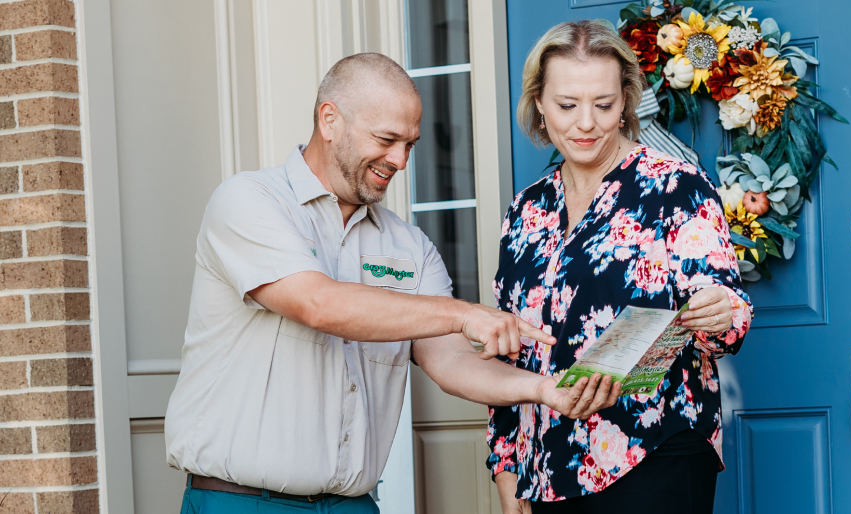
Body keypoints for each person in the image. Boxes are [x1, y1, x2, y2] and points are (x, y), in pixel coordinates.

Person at [165, 52, 622, 514]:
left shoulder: (410, 246)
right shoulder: (250, 202)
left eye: (410, 144)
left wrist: (543, 389)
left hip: (353, 505)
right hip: (241, 502)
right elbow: (317, 304)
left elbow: (450, 361)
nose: (400, 160)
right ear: (330, 120)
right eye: (386, 139)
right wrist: (465, 313)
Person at [487, 21, 754, 514]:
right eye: (567, 105)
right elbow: (509, 349)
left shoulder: (677, 187)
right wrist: (506, 463)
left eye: (603, 105)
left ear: (626, 102)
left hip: (655, 454)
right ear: (539, 106)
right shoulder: (524, 212)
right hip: (547, 467)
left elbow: (727, 319)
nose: (585, 123)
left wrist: (721, 311)